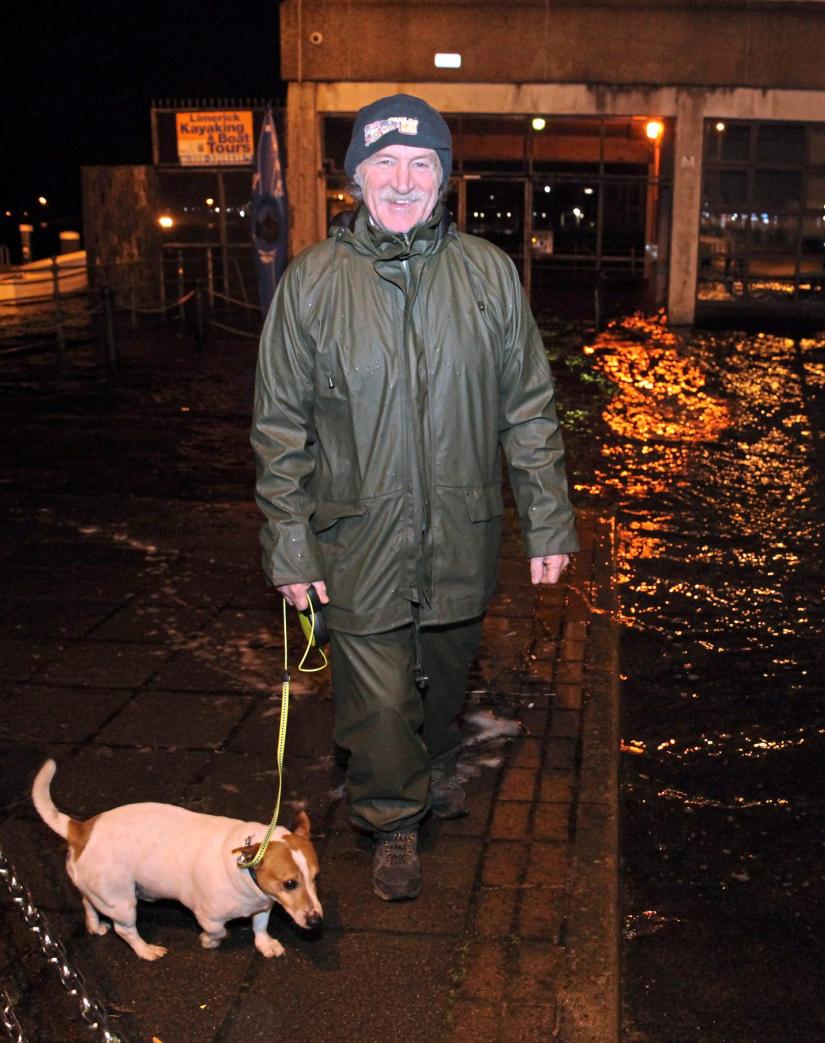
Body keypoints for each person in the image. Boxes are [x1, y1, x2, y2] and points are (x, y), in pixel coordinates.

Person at [251, 94, 578, 902]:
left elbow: (528, 409)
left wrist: (547, 521)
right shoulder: (312, 283)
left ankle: (428, 771)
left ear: (443, 177)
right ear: (356, 178)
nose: (403, 181)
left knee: (444, 675)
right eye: (385, 164)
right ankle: (391, 818)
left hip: (461, 530)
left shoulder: (488, 275)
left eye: (420, 164)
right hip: (354, 538)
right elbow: (280, 429)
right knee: (381, 696)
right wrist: (289, 544)